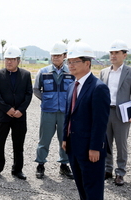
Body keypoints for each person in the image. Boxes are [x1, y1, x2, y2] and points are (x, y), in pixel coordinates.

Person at [62, 42, 110, 200]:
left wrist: (95, 147)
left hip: (90, 150)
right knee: (82, 188)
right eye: (69, 62)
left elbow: (100, 122)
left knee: (93, 190)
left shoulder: (98, 88)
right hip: (73, 147)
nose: (70, 65)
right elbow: (68, 115)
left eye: (74, 61)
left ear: (87, 63)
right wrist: (64, 138)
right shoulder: (72, 86)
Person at [0, 46, 33, 180]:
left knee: (18, 144)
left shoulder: (26, 75)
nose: (9, 62)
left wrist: (21, 110)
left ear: (18, 61)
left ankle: (17, 170)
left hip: (19, 117)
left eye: (12, 59)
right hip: (3, 116)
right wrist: (7, 108)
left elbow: (28, 94)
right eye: (7, 59)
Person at [34, 41, 74, 179]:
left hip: (65, 112)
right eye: (53, 55)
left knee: (65, 139)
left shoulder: (70, 72)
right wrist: (46, 100)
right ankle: (40, 164)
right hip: (48, 112)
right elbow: (36, 89)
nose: (55, 57)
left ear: (65, 55)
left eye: (58, 55)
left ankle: (64, 165)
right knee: (44, 139)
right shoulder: (43, 72)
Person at [99, 39, 131, 186]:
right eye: (111, 53)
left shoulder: (129, 72)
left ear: (124, 55)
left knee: (121, 144)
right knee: (106, 143)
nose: (113, 55)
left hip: (122, 114)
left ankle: (120, 172)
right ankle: (107, 169)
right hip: (105, 113)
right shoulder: (104, 72)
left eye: (116, 52)